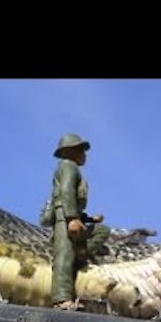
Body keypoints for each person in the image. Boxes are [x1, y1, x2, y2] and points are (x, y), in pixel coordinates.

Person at [42, 133, 103, 310]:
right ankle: (61, 299)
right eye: (81, 150)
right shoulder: (68, 167)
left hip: (71, 215)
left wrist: (89, 219)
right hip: (65, 217)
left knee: (101, 230)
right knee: (64, 255)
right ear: (71, 152)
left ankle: (81, 256)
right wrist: (72, 219)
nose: (85, 155)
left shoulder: (72, 168)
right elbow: (67, 191)